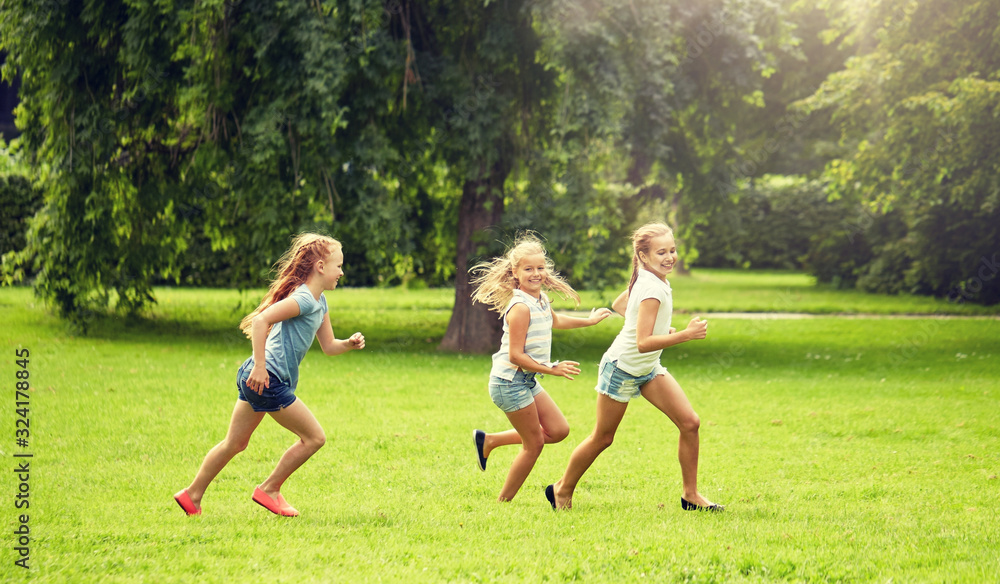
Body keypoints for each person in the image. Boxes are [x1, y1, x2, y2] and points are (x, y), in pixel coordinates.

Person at [174, 233, 365, 517]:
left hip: (256, 376)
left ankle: (192, 496)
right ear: (321, 267)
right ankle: (270, 489)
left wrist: (348, 344)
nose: (342, 271)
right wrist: (261, 368)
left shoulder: (319, 302)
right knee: (314, 438)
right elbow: (262, 320)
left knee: (235, 443)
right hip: (266, 378)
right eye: (338, 265)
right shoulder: (303, 299)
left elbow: (328, 347)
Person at [545, 222, 723, 511]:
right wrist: (683, 335)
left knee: (690, 423)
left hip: (648, 369)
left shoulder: (651, 278)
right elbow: (642, 342)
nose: (669, 257)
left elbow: (620, 304)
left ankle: (691, 496)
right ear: (643, 256)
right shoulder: (651, 288)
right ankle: (561, 489)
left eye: (673, 250)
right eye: (661, 252)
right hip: (622, 369)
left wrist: (659, 327)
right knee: (603, 438)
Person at [471, 233, 612, 502]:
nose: (536, 274)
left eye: (540, 268)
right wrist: (552, 369)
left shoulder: (541, 300)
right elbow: (515, 356)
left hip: (525, 380)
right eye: (528, 269)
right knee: (533, 444)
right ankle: (503, 502)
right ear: (515, 272)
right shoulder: (520, 307)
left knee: (558, 431)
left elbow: (555, 320)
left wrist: (589, 321)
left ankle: (489, 441)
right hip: (508, 382)